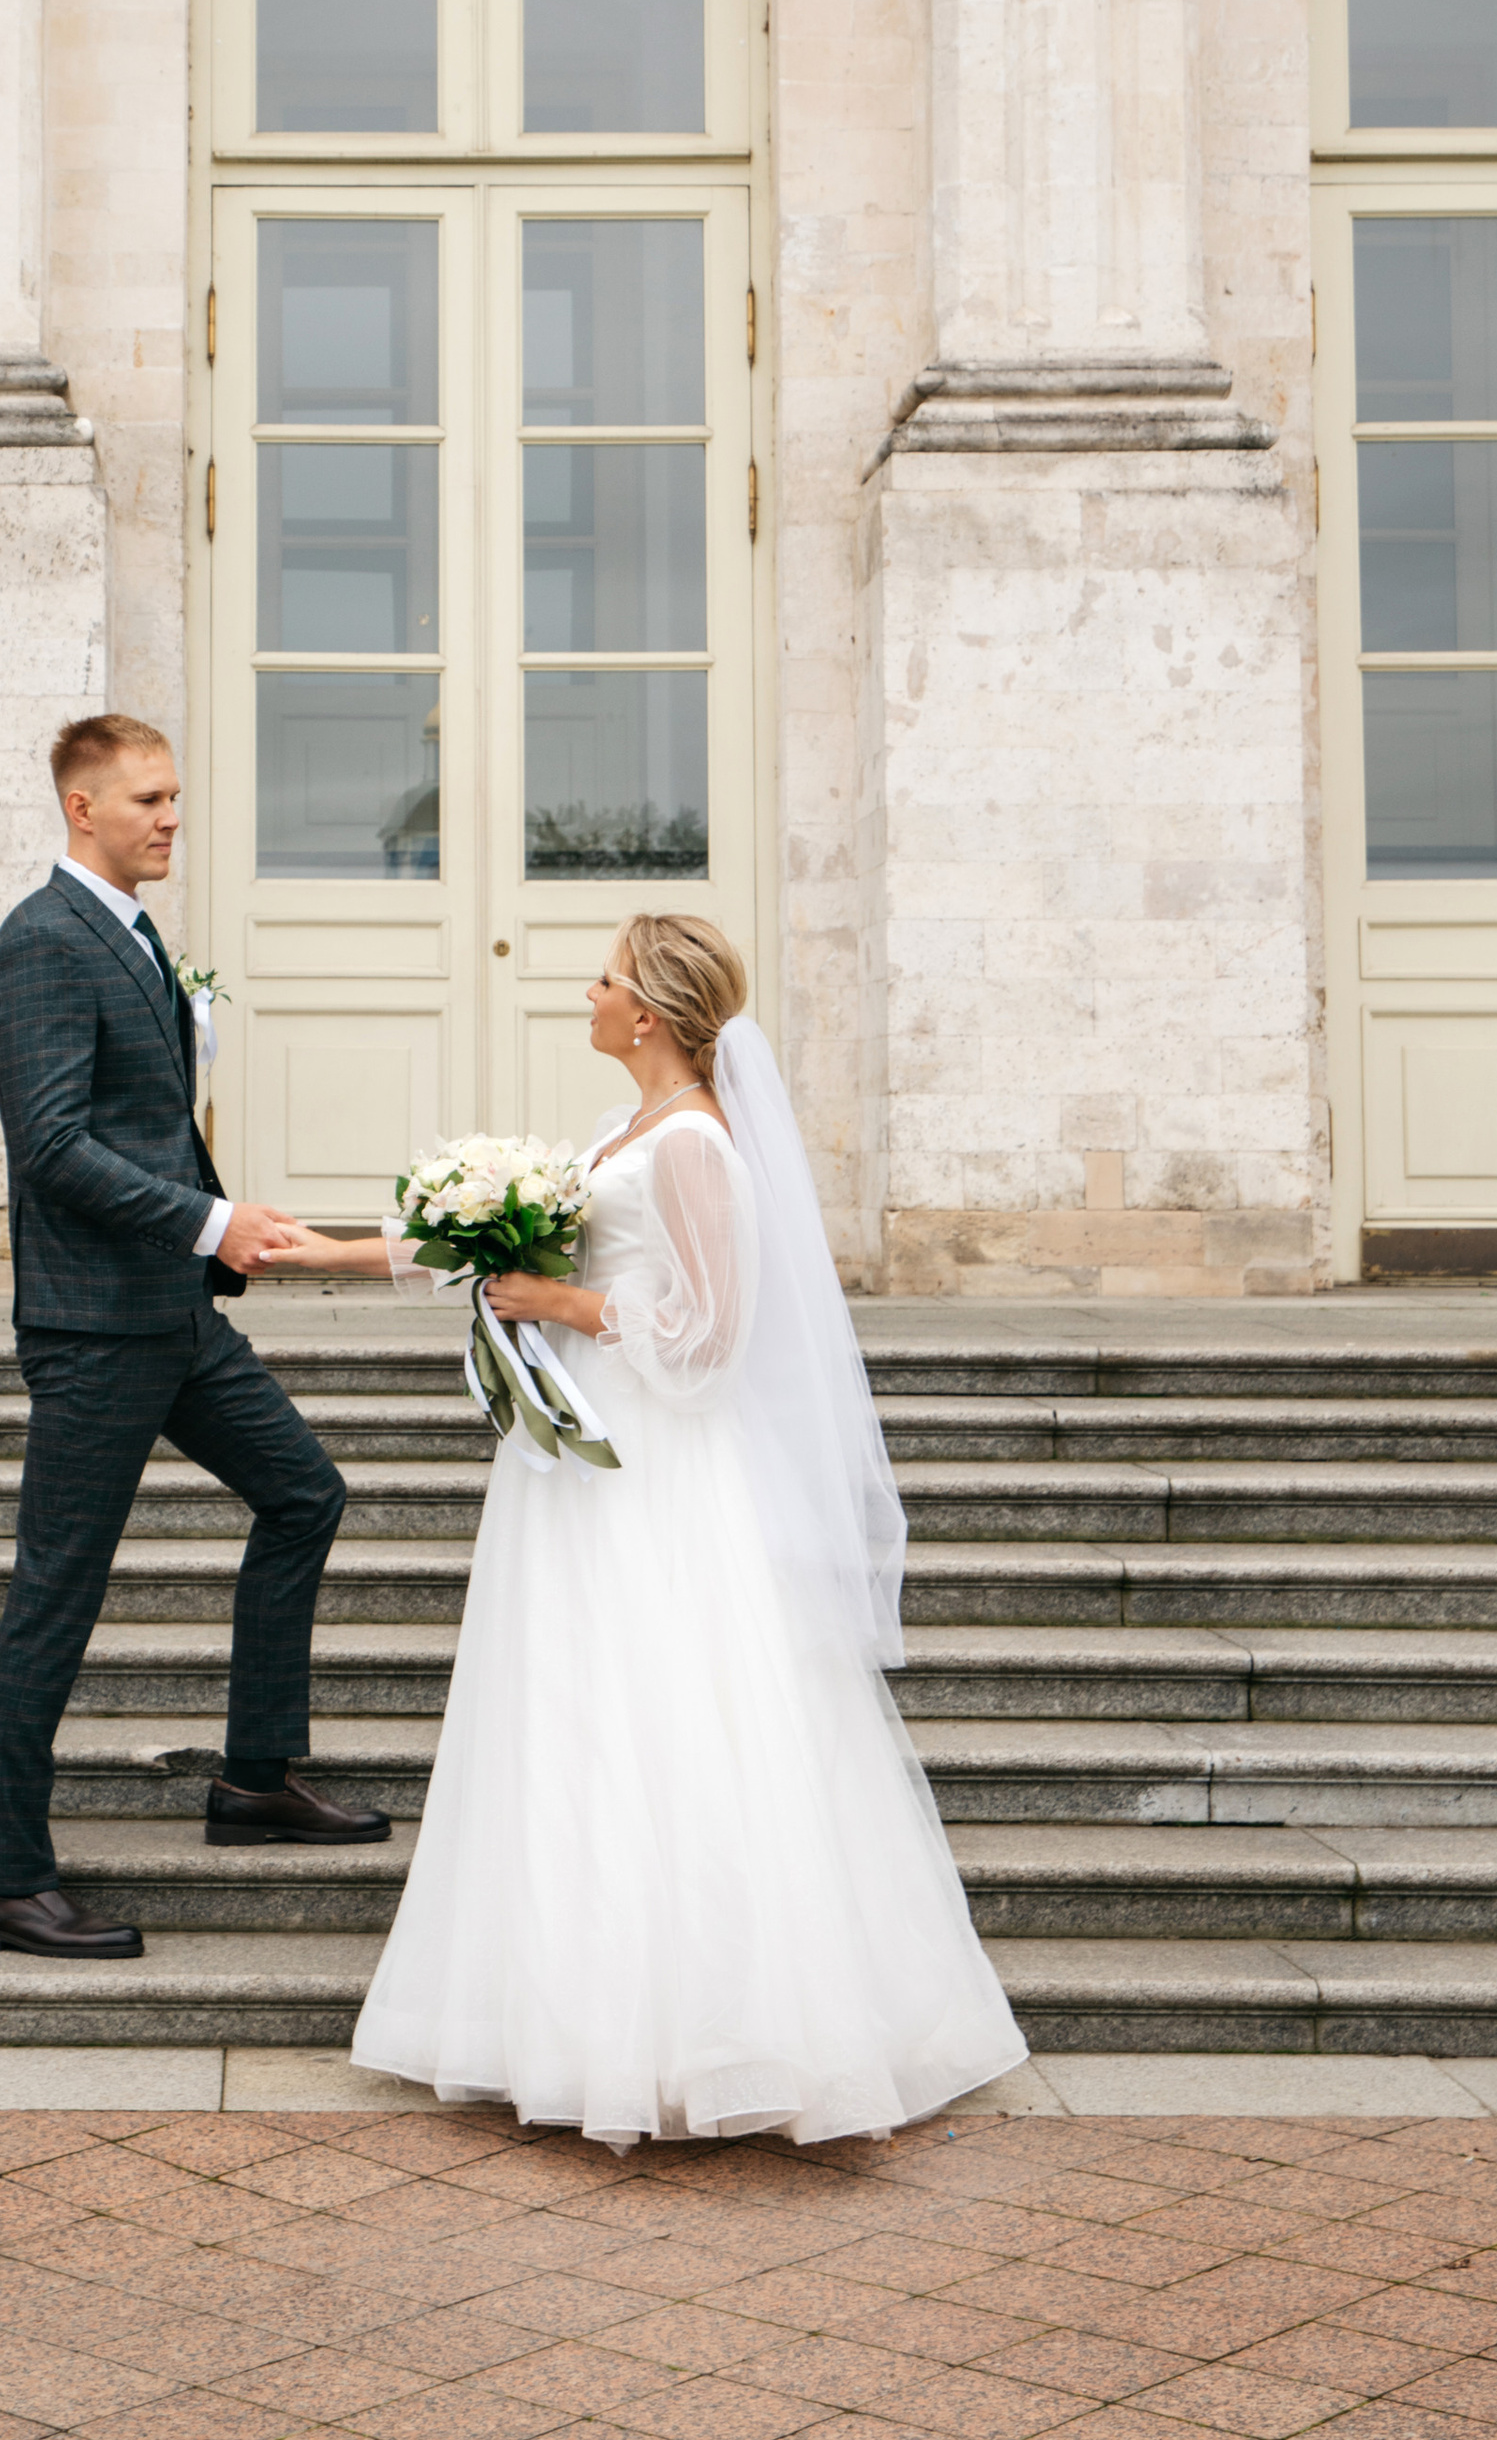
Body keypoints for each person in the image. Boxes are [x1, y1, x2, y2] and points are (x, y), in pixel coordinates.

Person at [263, 913, 1027, 2145]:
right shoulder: (621, 1133)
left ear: (651, 1015)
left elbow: (711, 1335)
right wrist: (322, 1253)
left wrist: (564, 1303)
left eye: (606, 979)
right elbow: (493, 1242)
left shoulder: (693, 1146)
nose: (588, 993)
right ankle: (573, 2020)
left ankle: (703, 2036)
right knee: (571, 1716)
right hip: (576, 1464)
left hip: (652, 1471)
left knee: (662, 1714)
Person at [0, 714, 389, 1961]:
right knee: (56, 1595)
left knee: (304, 1494)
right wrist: (213, 1221)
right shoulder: (42, 943)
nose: (169, 818)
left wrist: (210, 1238)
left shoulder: (133, 934)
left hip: (173, 1314)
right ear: (80, 808)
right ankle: (7, 1878)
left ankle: (254, 1777)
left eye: (173, 797)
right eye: (145, 799)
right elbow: (52, 1148)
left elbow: (143, 1124)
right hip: (95, 1329)